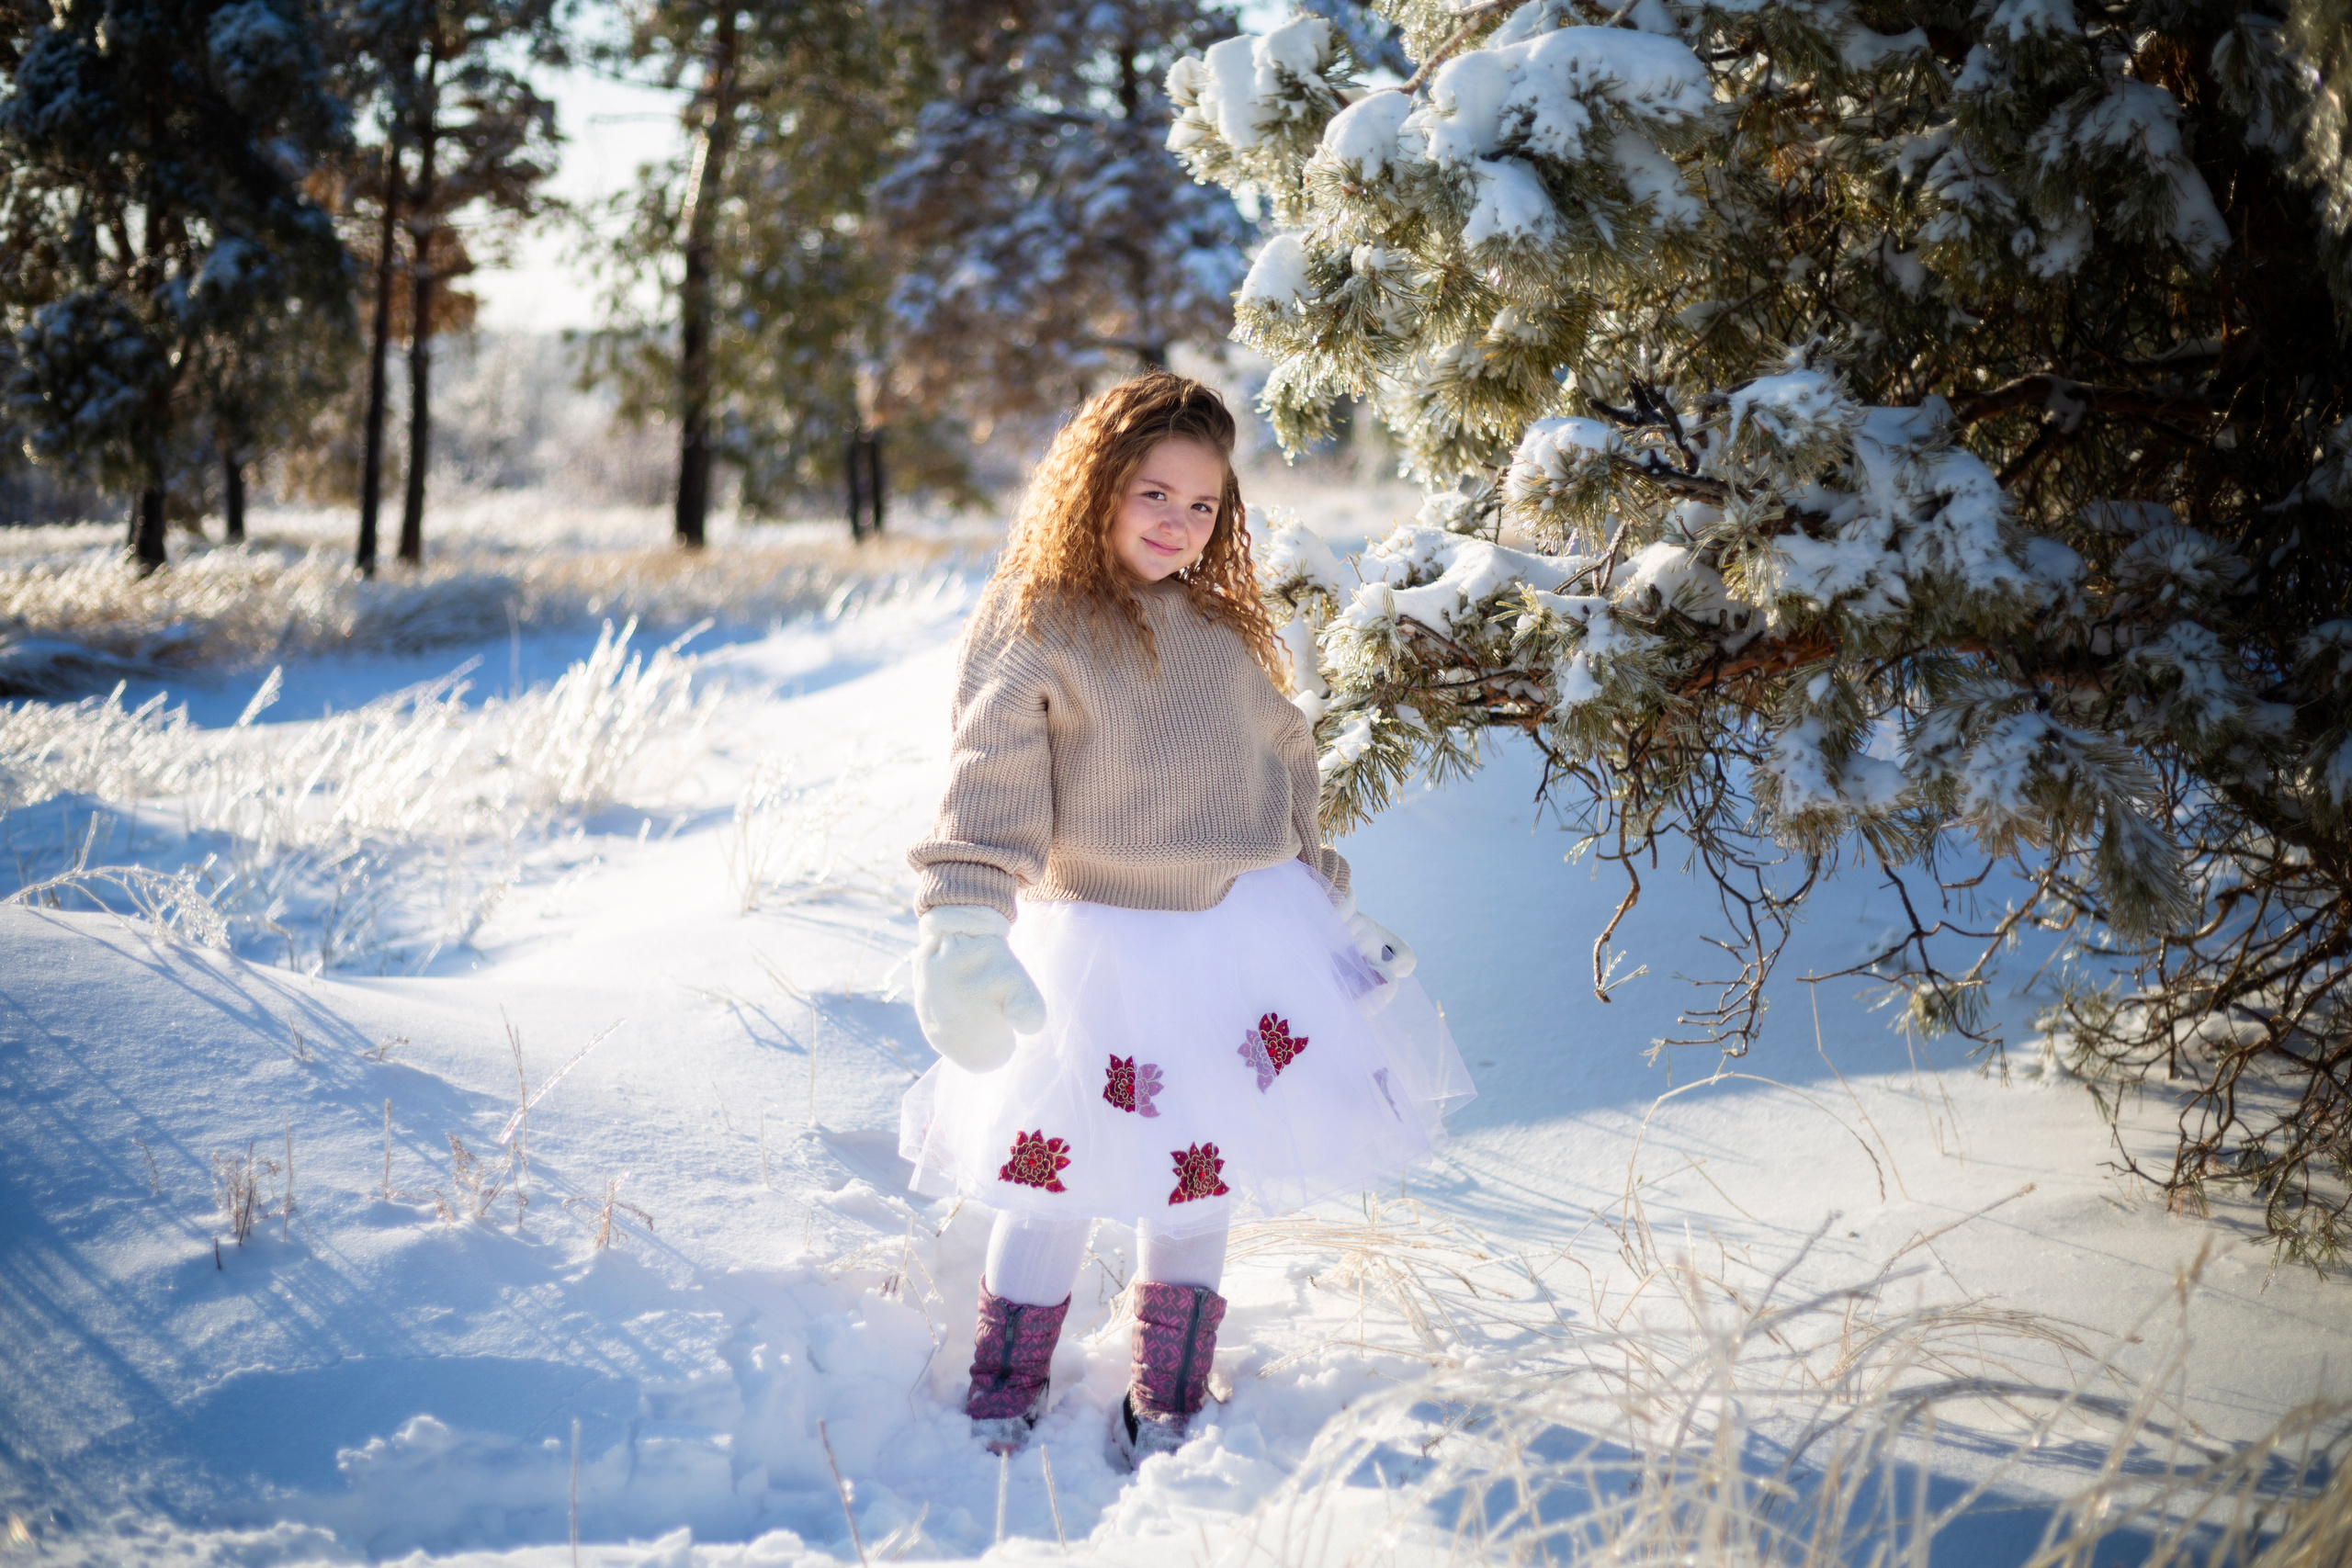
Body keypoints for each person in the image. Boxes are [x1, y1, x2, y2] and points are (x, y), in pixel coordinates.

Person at [900, 371, 1473, 1469]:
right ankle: (1002, 1386)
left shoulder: (1223, 626)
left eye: (1203, 505)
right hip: (1098, 947)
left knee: (1197, 1170)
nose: (1179, 522)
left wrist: (1328, 914)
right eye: (1154, 493)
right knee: (1047, 1174)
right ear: (1094, 488)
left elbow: (1279, 783)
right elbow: (987, 782)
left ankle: (1167, 1390)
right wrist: (965, 921)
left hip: (1235, 942)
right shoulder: (1038, 619)